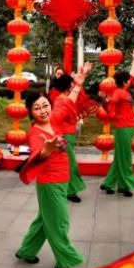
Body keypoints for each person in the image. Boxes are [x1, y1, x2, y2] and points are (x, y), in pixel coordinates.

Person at [16, 66, 91, 268]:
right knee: (59, 222)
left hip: (63, 179)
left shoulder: (54, 120)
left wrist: (78, 84)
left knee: (44, 220)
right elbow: (36, 152)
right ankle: (65, 262)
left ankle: (26, 251)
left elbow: (68, 102)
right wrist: (45, 152)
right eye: (37, 108)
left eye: (45, 105)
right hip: (49, 183)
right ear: (31, 113)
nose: (43, 111)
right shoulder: (35, 133)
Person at [50, 63, 98, 203]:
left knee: (69, 164)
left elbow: (75, 98)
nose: (74, 86)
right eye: (72, 84)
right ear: (67, 86)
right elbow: (57, 117)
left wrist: (82, 78)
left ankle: (67, 190)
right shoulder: (60, 100)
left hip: (68, 135)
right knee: (70, 165)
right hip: (63, 136)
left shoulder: (64, 99)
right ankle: (69, 191)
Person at [99, 50, 134, 197]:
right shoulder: (118, 92)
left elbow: (132, 75)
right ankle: (124, 186)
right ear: (124, 82)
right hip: (123, 129)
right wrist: (105, 100)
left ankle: (108, 184)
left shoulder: (125, 91)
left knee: (119, 158)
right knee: (125, 158)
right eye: (128, 80)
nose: (130, 81)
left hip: (127, 128)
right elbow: (111, 103)